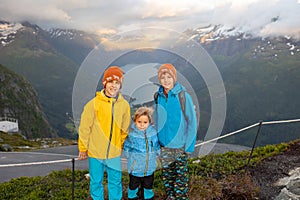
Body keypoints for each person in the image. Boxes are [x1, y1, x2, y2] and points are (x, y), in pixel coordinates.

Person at [77, 66, 131, 200]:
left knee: (115, 182)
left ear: (120, 85)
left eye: (117, 83)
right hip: (95, 152)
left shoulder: (124, 106)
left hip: (114, 153)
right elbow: (84, 128)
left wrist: (120, 143)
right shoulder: (93, 104)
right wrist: (83, 148)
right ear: (104, 83)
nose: (114, 85)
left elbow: (125, 128)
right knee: (96, 182)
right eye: (111, 82)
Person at [154, 63, 197, 200]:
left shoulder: (183, 97)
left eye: (169, 76)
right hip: (164, 146)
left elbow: (192, 123)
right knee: (167, 177)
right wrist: (157, 142)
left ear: (174, 78)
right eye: (163, 77)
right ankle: (171, 197)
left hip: (180, 147)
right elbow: (157, 121)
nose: (166, 80)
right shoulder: (158, 96)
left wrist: (189, 146)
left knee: (181, 179)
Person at [123, 107, 160, 200]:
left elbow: (156, 144)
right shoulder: (132, 134)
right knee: (133, 186)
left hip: (149, 168)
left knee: (148, 186)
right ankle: (132, 196)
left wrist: (157, 153)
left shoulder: (153, 133)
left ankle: (148, 197)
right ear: (135, 121)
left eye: (145, 122)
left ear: (149, 122)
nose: (142, 125)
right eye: (139, 122)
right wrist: (129, 155)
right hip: (135, 168)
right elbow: (126, 146)